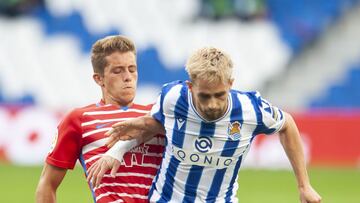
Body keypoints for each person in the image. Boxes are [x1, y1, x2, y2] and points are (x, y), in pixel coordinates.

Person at [88, 47, 322, 202]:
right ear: (191, 87)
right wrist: (117, 151)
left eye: (219, 95)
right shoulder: (173, 98)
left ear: (231, 83)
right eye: (204, 96)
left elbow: (287, 124)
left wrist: (304, 185)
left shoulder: (251, 109)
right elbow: (155, 126)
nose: (212, 105)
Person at [35, 35, 165, 203]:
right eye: (117, 71)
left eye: (132, 69)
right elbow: (47, 184)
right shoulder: (79, 119)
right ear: (99, 79)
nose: (127, 77)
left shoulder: (156, 114)